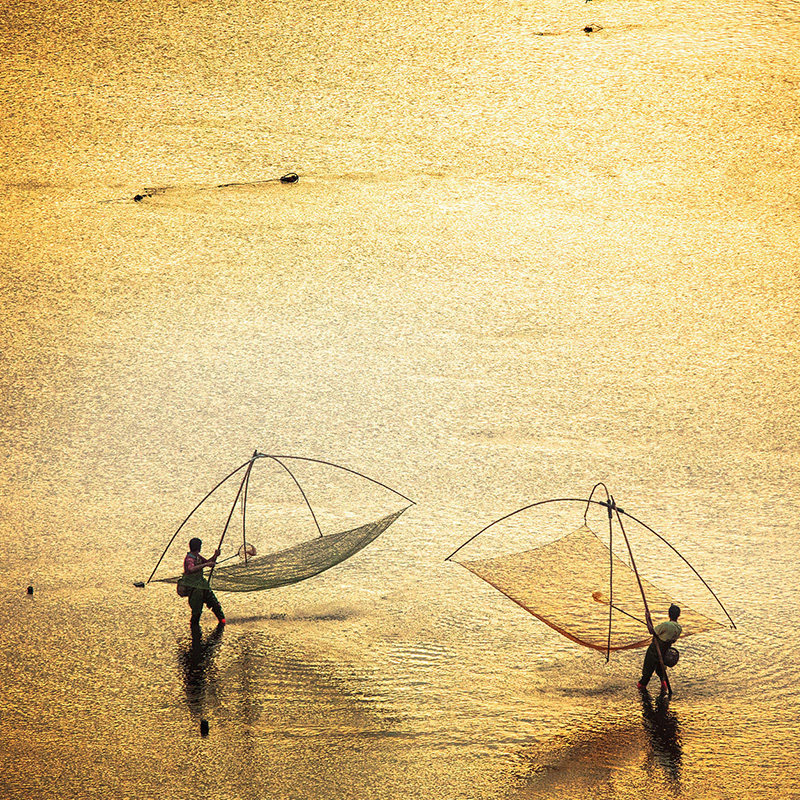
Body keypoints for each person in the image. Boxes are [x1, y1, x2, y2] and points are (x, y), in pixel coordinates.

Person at [178, 537, 225, 628]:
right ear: (198, 547)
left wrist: (215, 556)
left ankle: (222, 621)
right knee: (197, 610)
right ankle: (194, 627)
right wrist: (205, 565)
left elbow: (208, 562)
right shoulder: (189, 559)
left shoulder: (197, 557)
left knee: (214, 604)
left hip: (202, 586)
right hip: (194, 589)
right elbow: (191, 569)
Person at [638, 604, 682, 693]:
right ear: (678, 615)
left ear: (669, 614)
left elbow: (651, 631)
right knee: (661, 671)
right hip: (664, 652)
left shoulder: (666, 625)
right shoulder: (679, 628)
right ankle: (664, 687)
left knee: (647, 673)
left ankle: (641, 688)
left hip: (654, 651)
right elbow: (672, 641)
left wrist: (647, 618)